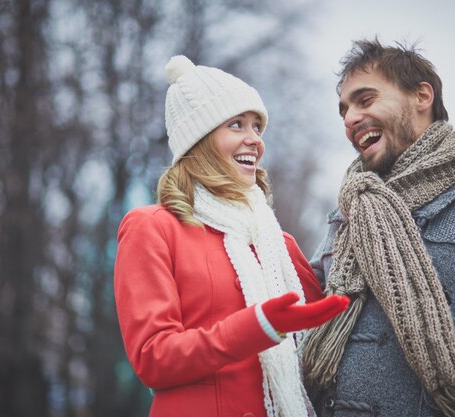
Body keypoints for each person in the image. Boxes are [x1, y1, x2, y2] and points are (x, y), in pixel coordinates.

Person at [302, 38, 455, 417]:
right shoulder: (349, 212)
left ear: (422, 96)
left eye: (366, 100)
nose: (350, 119)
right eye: (344, 110)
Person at [114, 55, 350, 417]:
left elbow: (323, 336)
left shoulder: (276, 243)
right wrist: (257, 326)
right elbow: (153, 357)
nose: (254, 140)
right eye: (237, 125)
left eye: (258, 127)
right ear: (201, 139)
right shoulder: (153, 227)